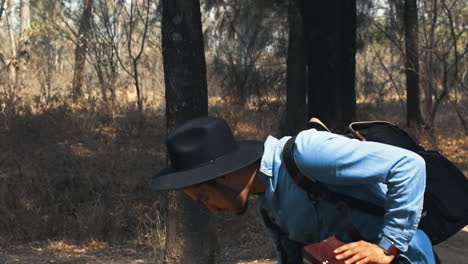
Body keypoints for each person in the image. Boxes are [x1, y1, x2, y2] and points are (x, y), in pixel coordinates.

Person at [151, 116, 436, 264]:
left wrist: (386, 247)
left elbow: (409, 166)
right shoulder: (269, 207)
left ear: (223, 176)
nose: (211, 208)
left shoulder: (307, 154)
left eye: (203, 197)